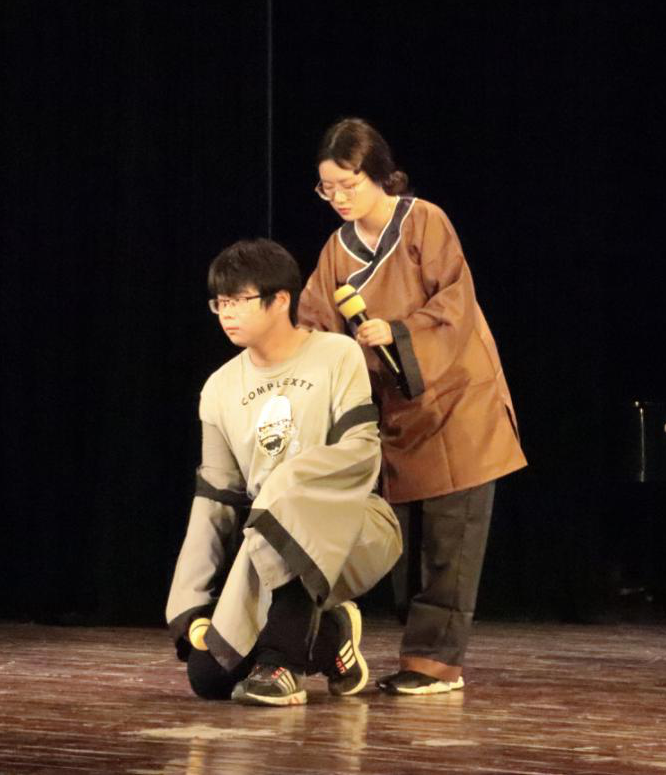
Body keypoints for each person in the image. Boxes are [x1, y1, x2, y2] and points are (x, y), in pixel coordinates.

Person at [298, 118, 526, 695]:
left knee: (451, 540)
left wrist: (396, 333)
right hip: (398, 413)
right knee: (400, 546)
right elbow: (315, 324)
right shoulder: (336, 252)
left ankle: (435, 664)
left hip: (457, 400)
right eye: (328, 188)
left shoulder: (425, 221)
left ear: (379, 175)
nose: (339, 198)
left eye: (349, 185)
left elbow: (454, 305)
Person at [165, 238, 402, 706]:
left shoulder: (337, 355)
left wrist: (287, 485)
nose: (227, 314)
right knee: (208, 676)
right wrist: (189, 602)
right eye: (220, 303)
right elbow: (215, 498)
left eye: (240, 300)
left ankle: (282, 665)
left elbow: (360, 450)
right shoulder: (219, 389)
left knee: (293, 525)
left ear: (279, 300)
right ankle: (333, 632)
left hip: (352, 523)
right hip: (267, 539)